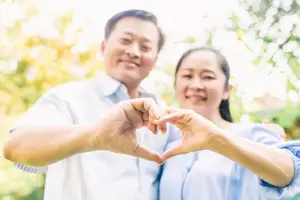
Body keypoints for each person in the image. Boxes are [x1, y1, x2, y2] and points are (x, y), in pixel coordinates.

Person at [3, 9, 168, 200]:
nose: (133, 52)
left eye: (145, 47)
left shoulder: (162, 113)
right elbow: (15, 147)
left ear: (155, 60)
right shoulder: (68, 97)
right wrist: (94, 136)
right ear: (104, 47)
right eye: (125, 40)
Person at [157, 47, 300, 200]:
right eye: (187, 76)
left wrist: (216, 139)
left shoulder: (253, 134)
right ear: (175, 84)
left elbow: (291, 173)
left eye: (208, 77)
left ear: (227, 90)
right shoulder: (167, 142)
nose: (196, 85)